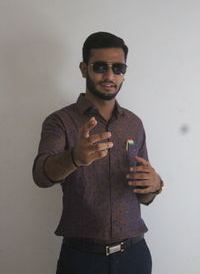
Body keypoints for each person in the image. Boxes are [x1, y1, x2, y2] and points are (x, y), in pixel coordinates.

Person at [33, 32, 163, 274]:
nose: (110, 75)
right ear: (84, 69)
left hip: (134, 256)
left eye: (118, 67)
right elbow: (41, 175)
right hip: (82, 259)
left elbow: (144, 195)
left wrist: (155, 184)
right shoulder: (60, 121)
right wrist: (74, 157)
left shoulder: (133, 123)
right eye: (100, 67)